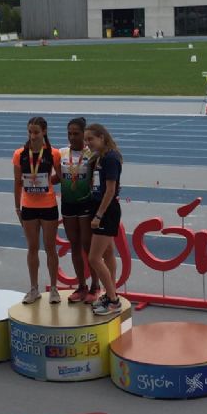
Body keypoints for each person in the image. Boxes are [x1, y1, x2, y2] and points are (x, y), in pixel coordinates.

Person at [13, 117, 62, 304]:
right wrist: (17, 207)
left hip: (48, 206)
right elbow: (17, 182)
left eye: (36, 132)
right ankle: (34, 289)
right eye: (30, 132)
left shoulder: (53, 153)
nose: (32, 136)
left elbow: (60, 176)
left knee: (50, 248)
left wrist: (48, 181)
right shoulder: (19, 154)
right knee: (32, 248)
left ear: (44, 132)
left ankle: (54, 288)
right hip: (28, 207)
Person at [58, 117, 100, 304]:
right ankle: (81, 286)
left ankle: (95, 286)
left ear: (84, 134)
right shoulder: (61, 153)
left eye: (76, 134)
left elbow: (98, 178)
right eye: (69, 133)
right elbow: (57, 177)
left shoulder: (92, 154)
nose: (72, 137)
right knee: (74, 244)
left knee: (87, 246)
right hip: (67, 204)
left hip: (85, 204)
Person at [84, 124, 123, 316]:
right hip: (100, 208)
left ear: (101, 137)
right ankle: (110, 294)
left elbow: (110, 190)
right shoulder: (100, 157)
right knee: (107, 254)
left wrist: (99, 215)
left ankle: (113, 300)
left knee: (94, 258)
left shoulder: (110, 158)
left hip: (106, 212)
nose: (88, 143)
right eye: (86, 140)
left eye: (90, 139)